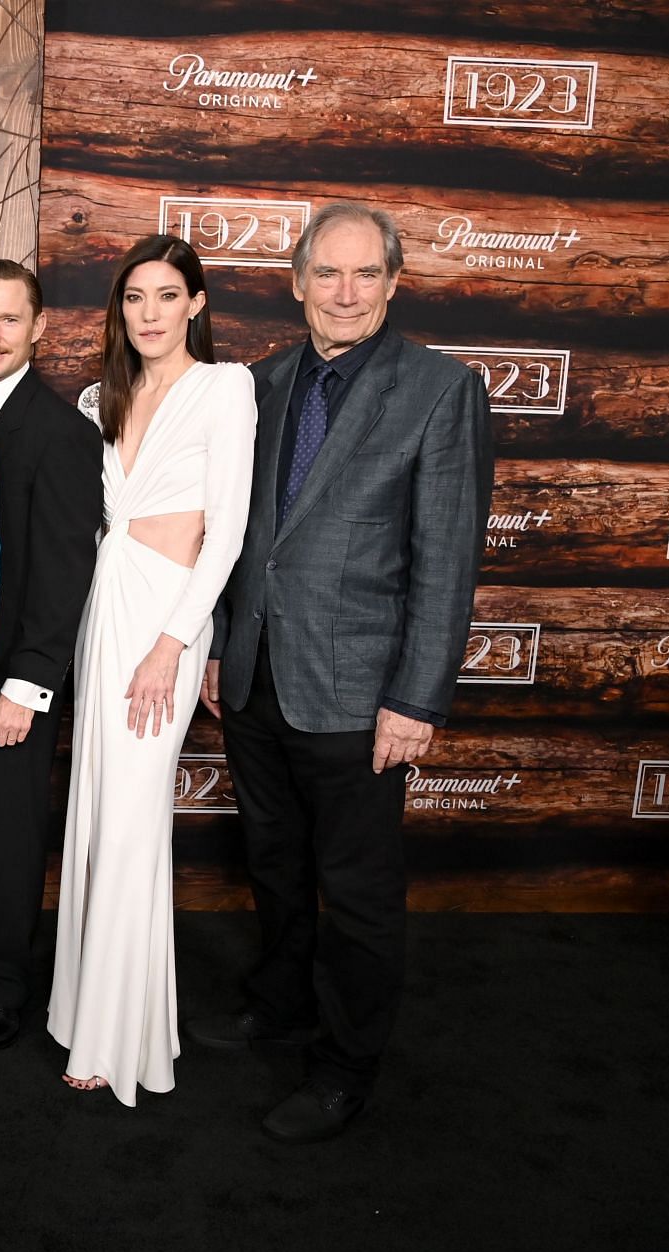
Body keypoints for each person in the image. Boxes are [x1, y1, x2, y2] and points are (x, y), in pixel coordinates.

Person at [191, 202, 492, 1142]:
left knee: (356, 891)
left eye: (367, 275)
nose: (347, 292)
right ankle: (279, 1004)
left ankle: (345, 1065)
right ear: (297, 282)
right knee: (275, 866)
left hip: (362, 696)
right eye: (329, 273)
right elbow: (240, 540)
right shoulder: (262, 383)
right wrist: (214, 642)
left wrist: (415, 697)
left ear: (395, 284)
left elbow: (448, 559)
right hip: (256, 678)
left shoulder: (440, 390)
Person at [44, 235, 256, 1105]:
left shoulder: (225, 387)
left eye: (168, 296)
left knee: (132, 818)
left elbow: (229, 531)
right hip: (109, 606)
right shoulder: (104, 395)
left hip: (168, 616)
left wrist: (174, 644)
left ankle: (115, 1038)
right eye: (135, 297)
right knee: (96, 812)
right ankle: (93, 1008)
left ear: (196, 304)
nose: (150, 313)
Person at [0, 259, 102, 1050]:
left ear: (38, 328)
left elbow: (66, 571)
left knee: (5, 835)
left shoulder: (64, 433)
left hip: (10, 678)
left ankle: (3, 984)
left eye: (10, 319)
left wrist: (29, 684)